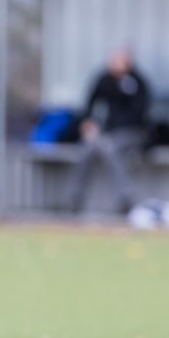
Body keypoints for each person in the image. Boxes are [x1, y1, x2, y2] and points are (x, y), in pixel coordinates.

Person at [64, 46, 151, 214]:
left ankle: (125, 199)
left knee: (109, 148)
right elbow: (90, 105)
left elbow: (139, 114)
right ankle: (74, 199)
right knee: (87, 148)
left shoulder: (138, 82)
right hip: (107, 135)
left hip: (132, 134)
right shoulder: (104, 80)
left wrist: (122, 86)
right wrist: (89, 123)